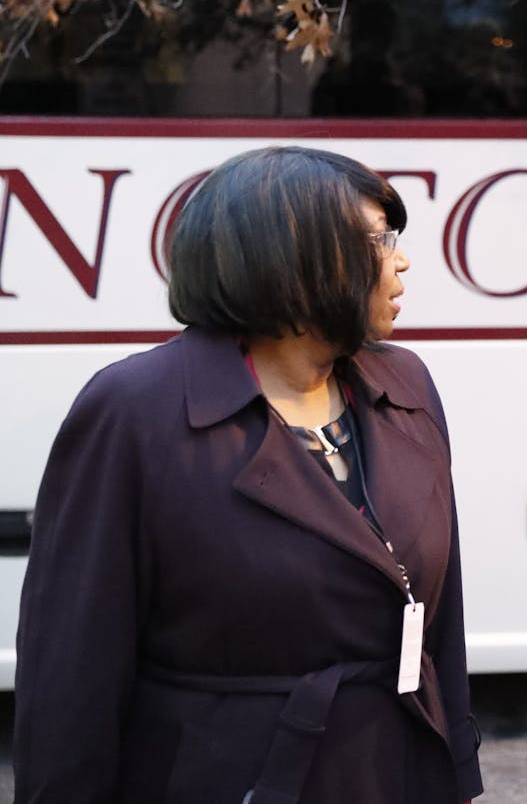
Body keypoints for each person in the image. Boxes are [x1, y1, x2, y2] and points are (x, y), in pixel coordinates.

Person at [14, 146, 482, 804]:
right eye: (380, 240)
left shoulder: (404, 381)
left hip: (394, 772)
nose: (401, 260)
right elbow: (71, 671)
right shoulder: (133, 409)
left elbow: (440, 615)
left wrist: (456, 770)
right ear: (290, 255)